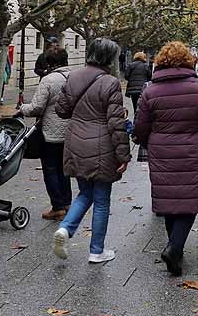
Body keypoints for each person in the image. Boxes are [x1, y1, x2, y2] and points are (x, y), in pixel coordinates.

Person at [134, 41, 198, 276]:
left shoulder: (150, 90)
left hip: (161, 153)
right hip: (194, 151)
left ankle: (176, 247)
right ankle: (175, 247)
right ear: (188, 61)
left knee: (169, 200)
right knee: (189, 201)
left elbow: (140, 129)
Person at [52, 38, 130, 264]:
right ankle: (97, 250)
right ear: (109, 58)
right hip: (102, 144)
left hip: (75, 140)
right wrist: (123, 155)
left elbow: (61, 110)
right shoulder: (111, 82)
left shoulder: (73, 76)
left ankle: (65, 229)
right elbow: (116, 124)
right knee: (102, 199)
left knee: (85, 192)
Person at [21, 46, 72, 220]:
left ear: (49, 63)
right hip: (71, 131)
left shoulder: (48, 80)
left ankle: (57, 206)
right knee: (63, 168)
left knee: (50, 168)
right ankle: (67, 203)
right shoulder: (75, 77)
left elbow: (36, 107)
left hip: (50, 131)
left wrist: (22, 108)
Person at [123, 51, 153, 161]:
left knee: (135, 104)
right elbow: (150, 76)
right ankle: (139, 117)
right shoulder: (145, 66)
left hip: (133, 89)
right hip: (143, 89)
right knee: (141, 106)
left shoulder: (131, 65)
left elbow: (126, 76)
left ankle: (137, 118)